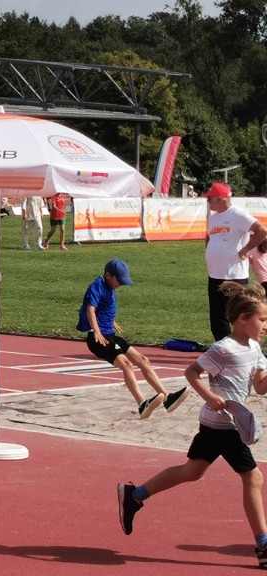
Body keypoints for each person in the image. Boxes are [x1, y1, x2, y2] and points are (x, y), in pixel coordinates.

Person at [117, 282, 267, 570]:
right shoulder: (224, 348)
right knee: (254, 478)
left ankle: (134, 496)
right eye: (261, 319)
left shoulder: (254, 348)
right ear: (242, 319)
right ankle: (263, 545)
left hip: (219, 424)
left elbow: (260, 387)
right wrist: (210, 395)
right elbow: (192, 371)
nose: (265, 324)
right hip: (223, 424)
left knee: (192, 471)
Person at [77, 259, 189, 418]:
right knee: (126, 364)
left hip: (110, 335)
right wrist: (96, 330)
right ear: (108, 275)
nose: (121, 284)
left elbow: (102, 308)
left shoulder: (109, 287)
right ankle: (142, 404)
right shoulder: (97, 285)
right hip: (99, 339)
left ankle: (167, 398)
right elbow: (90, 308)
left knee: (143, 360)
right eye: (119, 281)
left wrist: (111, 322)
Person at [204, 182, 267, 341]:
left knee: (242, 317)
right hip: (215, 275)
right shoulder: (213, 218)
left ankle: (247, 349)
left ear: (219, 198)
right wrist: (211, 250)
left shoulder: (238, 214)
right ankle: (225, 350)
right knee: (218, 319)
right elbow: (209, 237)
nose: (207, 201)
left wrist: (246, 249)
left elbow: (261, 231)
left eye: (209, 198)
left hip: (235, 275)